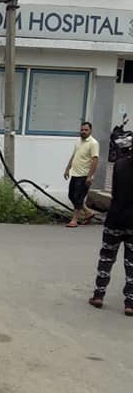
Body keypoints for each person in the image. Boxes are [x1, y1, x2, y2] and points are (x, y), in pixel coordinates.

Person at [89, 122, 133, 316]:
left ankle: (99, 295)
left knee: (106, 258)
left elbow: (115, 191)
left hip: (115, 218)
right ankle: (130, 303)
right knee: (131, 264)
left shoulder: (120, 165)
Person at [63, 121, 99, 228]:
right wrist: (67, 169)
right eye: (82, 129)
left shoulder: (93, 143)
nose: (83, 132)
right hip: (75, 173)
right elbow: (74, 155)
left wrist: (90, 176)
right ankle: (88, 213)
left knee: (78, 198)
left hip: (84, 175)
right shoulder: (78, 141)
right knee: (71, 196)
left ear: (90, 131)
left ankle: (74, 220)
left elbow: (95, 160)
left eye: (86, 130)